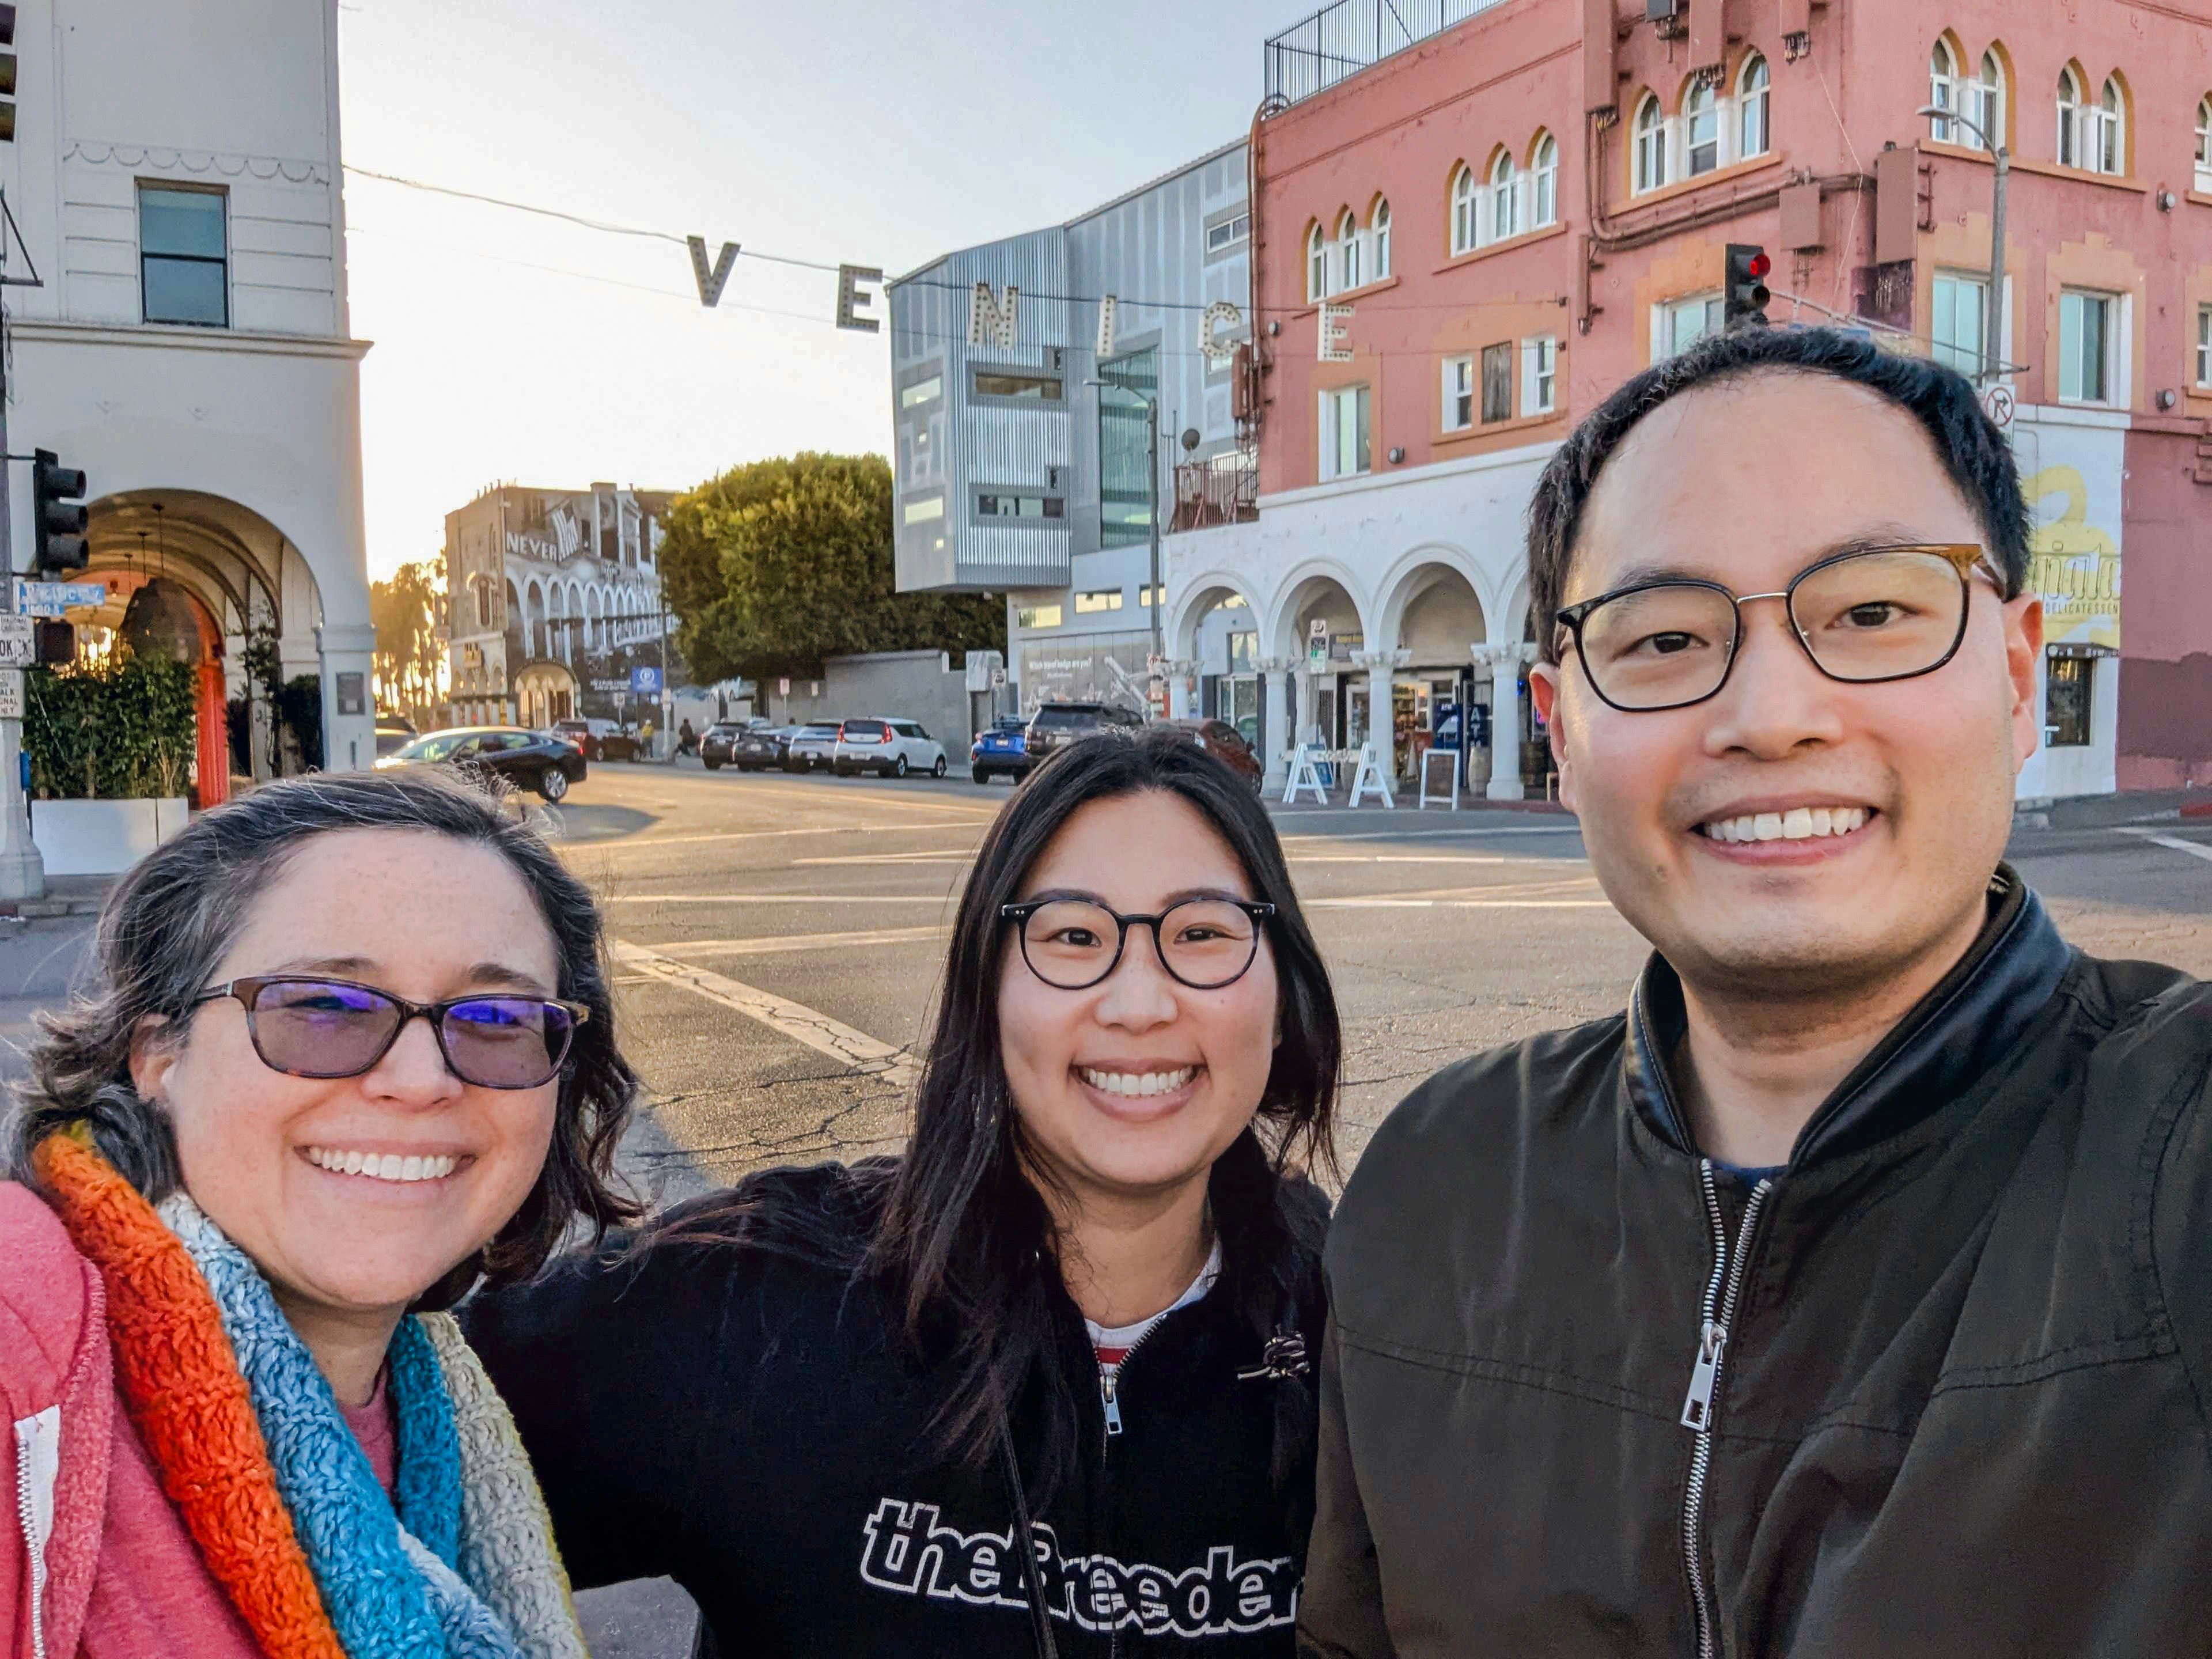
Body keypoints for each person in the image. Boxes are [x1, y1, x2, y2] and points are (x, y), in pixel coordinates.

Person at [1300, 326, 2212, 1656]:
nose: (1774, 712)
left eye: (1875, 612)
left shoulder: (2176, 1151)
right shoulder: (1438, 1179)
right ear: (1561, 732)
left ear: (2017, 675)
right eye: (1667, 636)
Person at [465, 726, 1342, 1656]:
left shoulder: (1372, 1336)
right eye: (1074, 936)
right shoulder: (759, 1306)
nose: (1138, 1002)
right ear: (986, 992)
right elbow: (361, 1466)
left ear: (1282, 1000)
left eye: (1201, 934)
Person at [0, 770, 641, 1659]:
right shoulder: (26, 1350)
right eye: (325, 1007)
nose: (421, 1082)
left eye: (496, 1016)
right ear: (158, 1056)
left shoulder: (442, 1420)